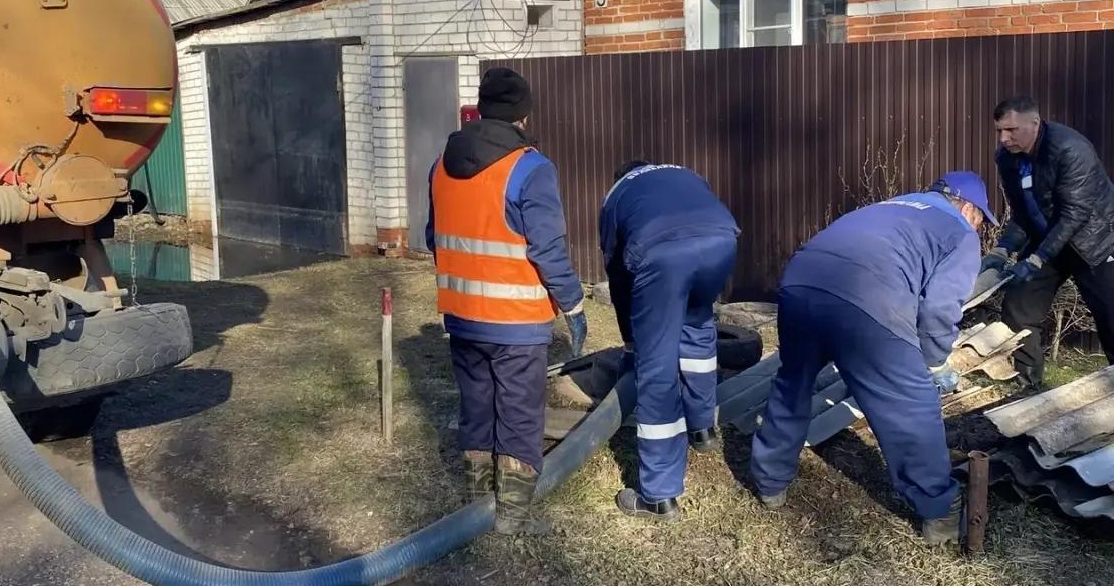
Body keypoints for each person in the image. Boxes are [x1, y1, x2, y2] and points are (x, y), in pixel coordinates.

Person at [749, 172, 995, 546]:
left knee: (793, 381)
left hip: (800, 283)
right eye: (981, 220)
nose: (978, 229)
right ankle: (938, 509)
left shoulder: (891, 206)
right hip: (865, 294)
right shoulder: (959, 230)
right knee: (911, 404)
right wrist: (932, 363)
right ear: (966, 207)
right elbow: (939, 310)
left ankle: (769, 482)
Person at [425, 66, 587, 535]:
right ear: (523, 114)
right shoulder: (530, 167)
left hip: (461, 316)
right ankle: (512, 517)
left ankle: (477, 504)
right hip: (516, 322)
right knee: (518, 411)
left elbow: (434, 237)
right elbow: (548, 247)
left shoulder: (441, 164)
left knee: (476, 403)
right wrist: (573, 305)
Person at [599, 161, 739, 521]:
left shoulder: (617, 196)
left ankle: (659, 495)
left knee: (656, 365)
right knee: (696, 325)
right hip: (723, 241)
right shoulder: (686, 173)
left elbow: (618, 276)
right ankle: (703, 428)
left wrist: (632, 341)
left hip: (660, 252)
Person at [981, 96, 1114, 388]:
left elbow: (1074, 214)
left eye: (1012, 130)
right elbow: (1022, 211)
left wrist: (1036, 259)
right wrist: (1003, 249)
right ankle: (1028, 387)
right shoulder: (1007, 158)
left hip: (1095, 241)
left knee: (1110, 316)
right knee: (1018, 307)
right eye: (1000, 131)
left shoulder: (1070, 149)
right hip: (1048, 241)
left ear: (1035, 123)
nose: (1004, 139)